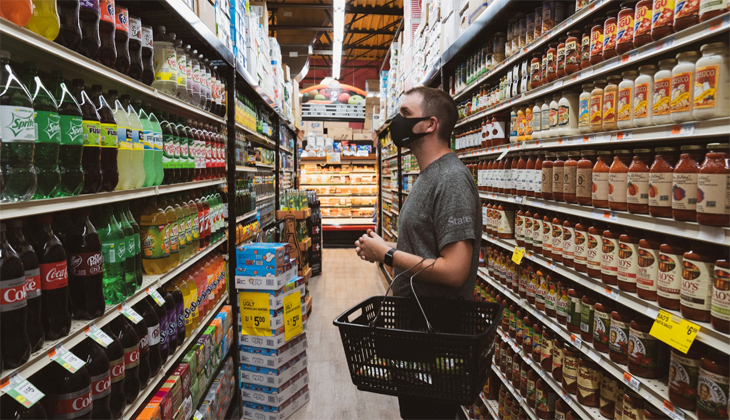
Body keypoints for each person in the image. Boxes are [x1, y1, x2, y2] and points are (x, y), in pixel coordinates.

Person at [355, 86, 481, 419]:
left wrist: (387, 254)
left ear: (430, 124)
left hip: (438, 333)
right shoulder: (428, 176)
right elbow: (425, 249)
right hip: (418, 328)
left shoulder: (451, 178)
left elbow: (455, 270)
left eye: (405, 114)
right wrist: (385, 249)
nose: (397, 122)